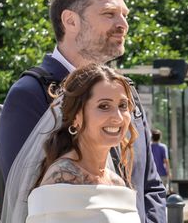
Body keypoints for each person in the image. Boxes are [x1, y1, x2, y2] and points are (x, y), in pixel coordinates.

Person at [0, 0, 165, 223]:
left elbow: (150, 187)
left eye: (124, 15)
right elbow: (21, 199)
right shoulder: (30, 94)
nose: (123, 24)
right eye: (109, 14)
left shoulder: (125, 91)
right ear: (70, 21)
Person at [26, 64, 140, 222]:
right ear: (75, 116)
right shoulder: (61, 178)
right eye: (104, 106)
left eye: (122, 105)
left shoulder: (116, 182)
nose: (118, 117)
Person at [150, 129, 171, 193]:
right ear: (160, 137)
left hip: (151, 173)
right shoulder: (163, 147)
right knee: (162, 192)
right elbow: (166, 161)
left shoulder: (149, 147)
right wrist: (169, 172)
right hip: (162, 173)